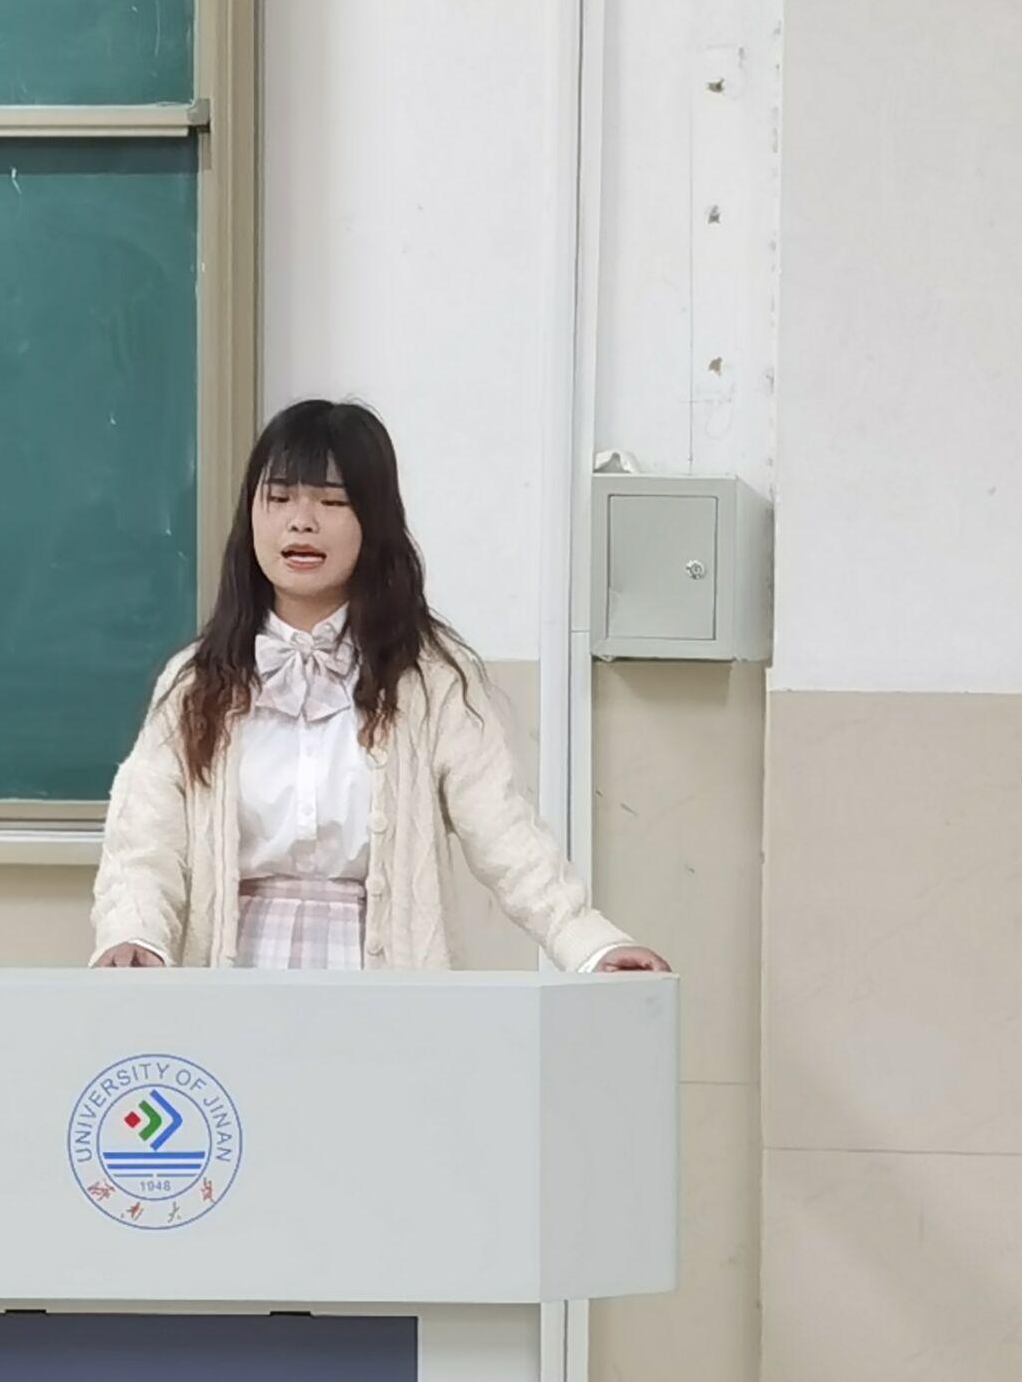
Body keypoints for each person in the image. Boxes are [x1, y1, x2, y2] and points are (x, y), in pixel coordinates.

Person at [91, 399, 670, 975]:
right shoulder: (195, 681)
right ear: (251, 516)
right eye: (280, 498)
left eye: (332, 502)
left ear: (374, 521)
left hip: (383, 982)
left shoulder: (430, 681)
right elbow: (143, 838)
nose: (301, 521)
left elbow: (506, 833)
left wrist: (589, 943)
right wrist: (133, 933)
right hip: (234, 977)